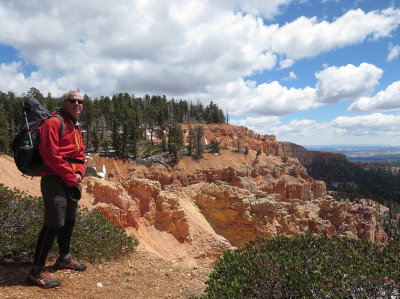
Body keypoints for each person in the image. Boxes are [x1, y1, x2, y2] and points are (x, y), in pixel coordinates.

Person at [28, 88, 87, 288]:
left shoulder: (75, 126)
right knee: (54, 222)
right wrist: (71, 176)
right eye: (72, 100)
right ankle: (36, 270)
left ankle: (64, 257)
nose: (77, 104)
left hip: (70, 179)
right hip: (54, 178)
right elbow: (49, 153)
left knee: (69, 219)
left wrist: (80, 173)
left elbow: (80, 155)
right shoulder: (54, 122)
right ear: (64, 103)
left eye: (80, 101)